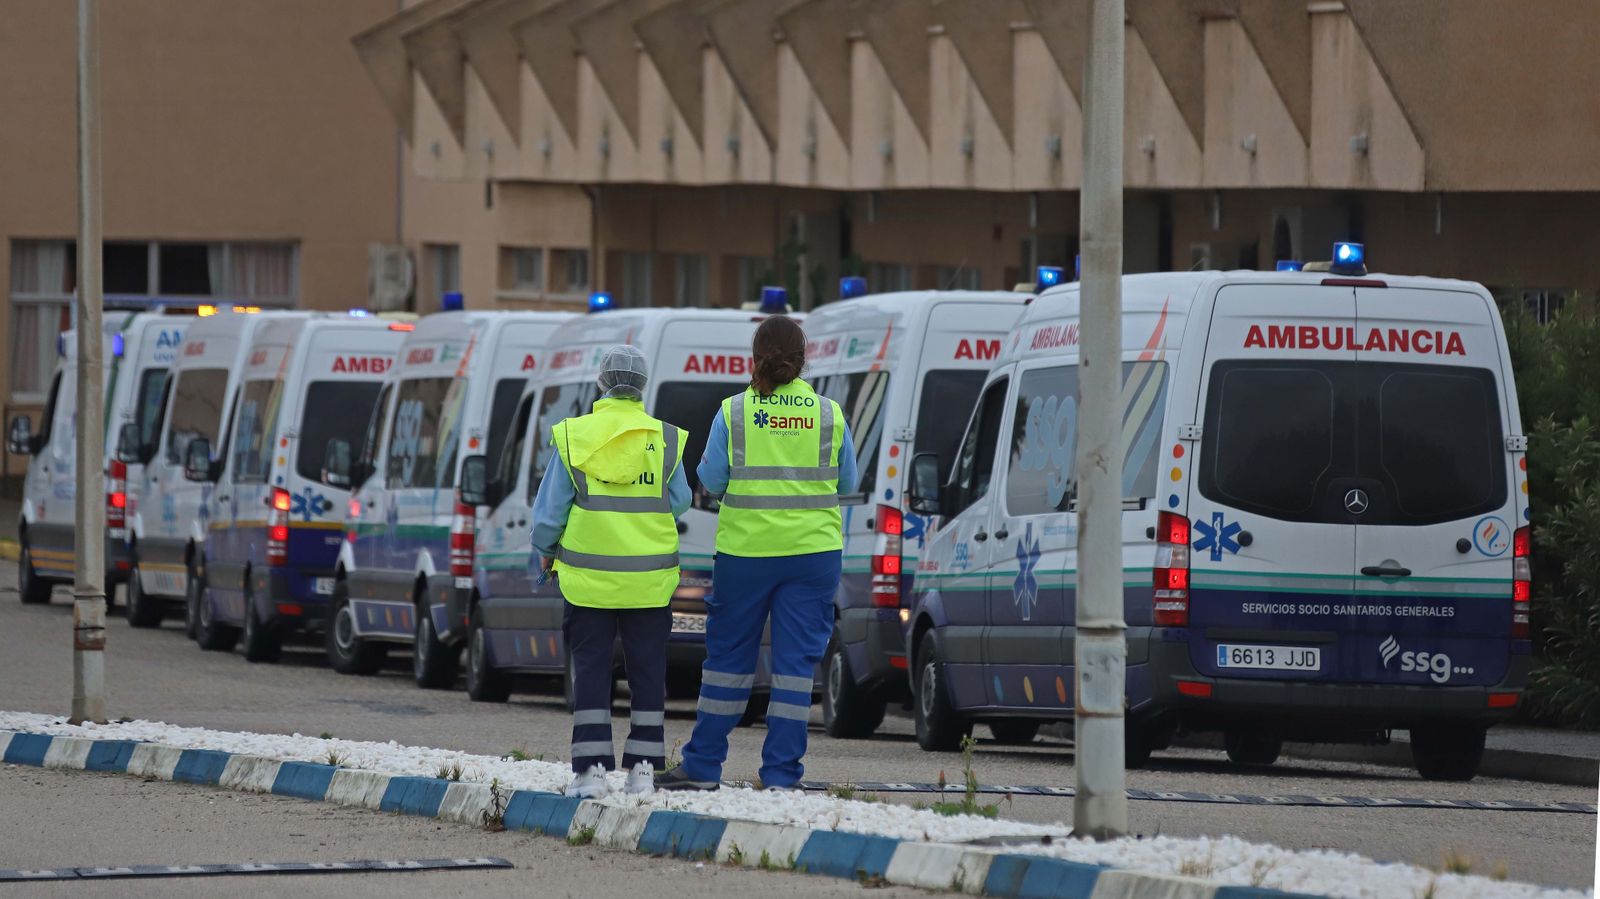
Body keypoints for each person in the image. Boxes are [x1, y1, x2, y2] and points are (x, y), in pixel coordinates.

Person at [655, 316, 858, 791]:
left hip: (746, 554)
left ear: (755, 357)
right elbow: (847, 484)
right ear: (803, 357)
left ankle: (703, 766)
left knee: (728, 660)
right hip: (813, 555)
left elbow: (712, 480)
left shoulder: (734, 412)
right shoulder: (829, 414)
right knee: (793, 668)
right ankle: (782, 776)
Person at [530, 345, 690, 799]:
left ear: (601, 383)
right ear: (642, 386)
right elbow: (679, 501)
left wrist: (546, 550)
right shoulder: (664, 439)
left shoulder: (575, 436)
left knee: (592, 672)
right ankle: (642, 772)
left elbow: (549, 513)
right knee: (647, 674)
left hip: (588, 581)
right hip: (649, 582)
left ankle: (591, 773)